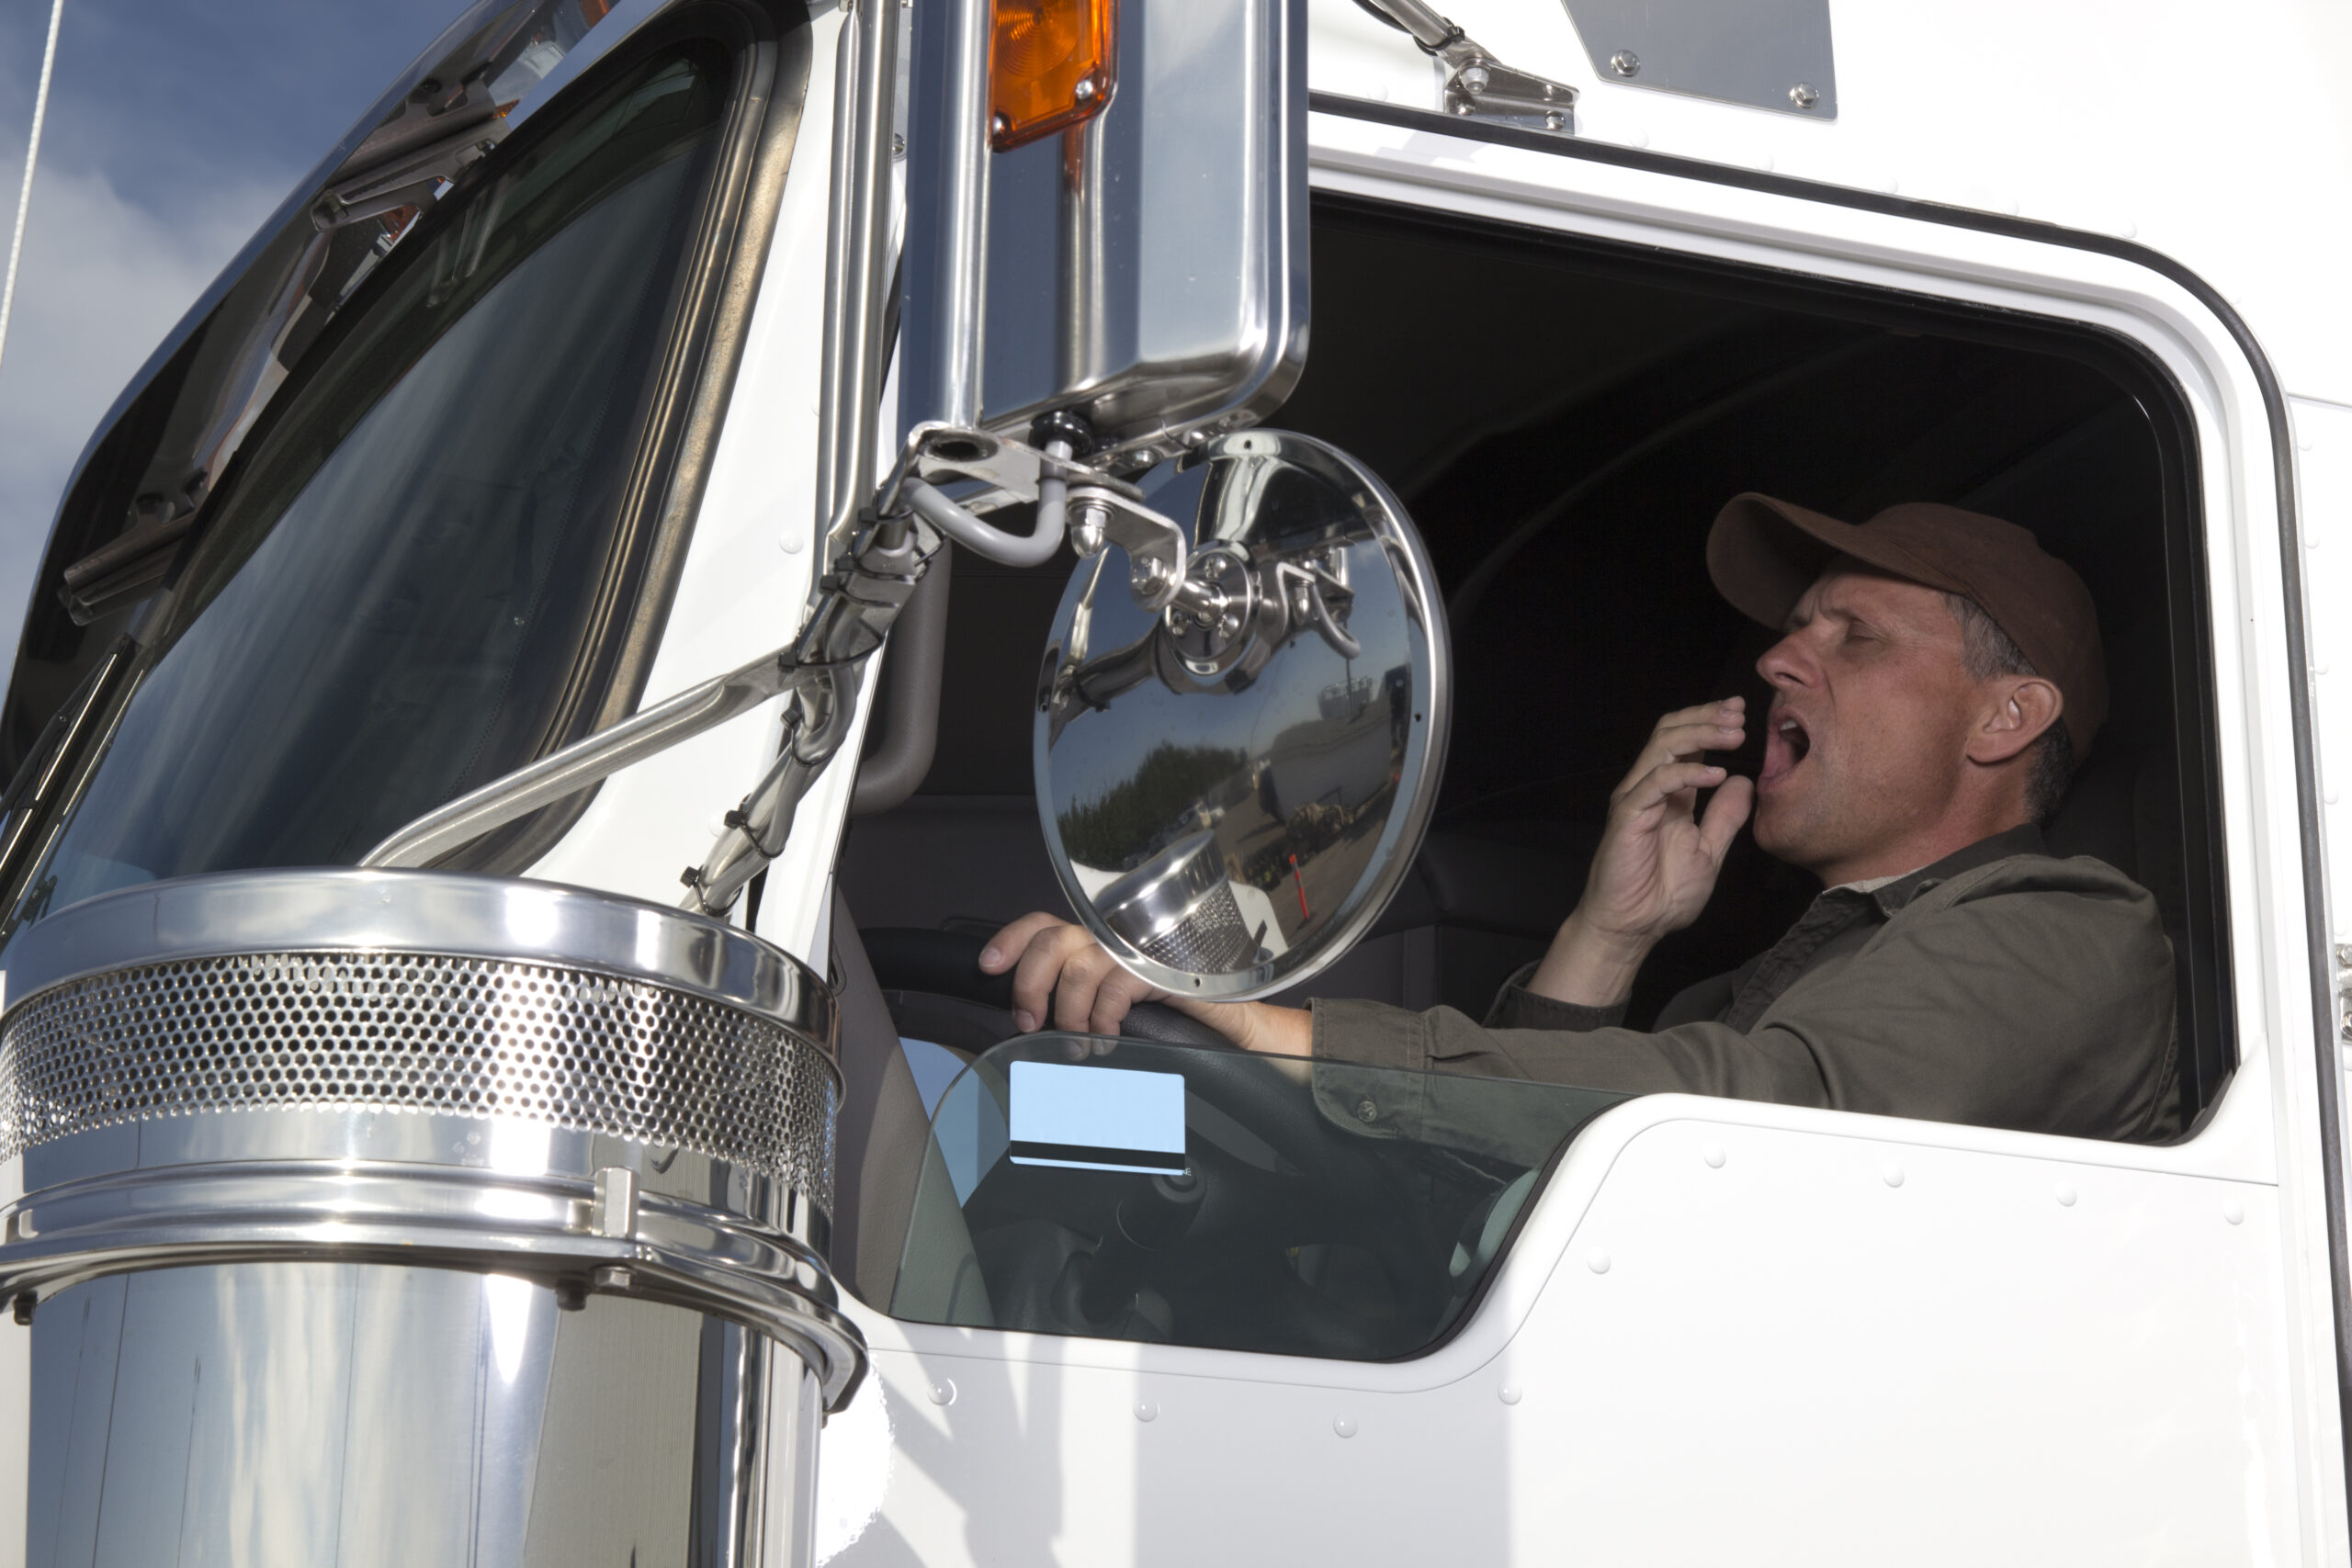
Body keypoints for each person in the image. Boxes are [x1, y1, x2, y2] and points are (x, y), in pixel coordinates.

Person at [982, 493, 2181, 1143]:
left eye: (1852, 636)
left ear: (2007, 718)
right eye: (1795, 627)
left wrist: (1283, 1040)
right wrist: (1611, 935)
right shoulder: (1771, 980)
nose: (1778, 660)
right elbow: (1497, 1158)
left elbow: (1765, 1129)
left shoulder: (2071, 933)